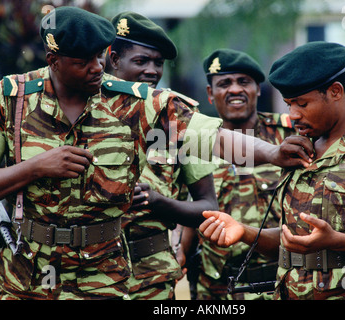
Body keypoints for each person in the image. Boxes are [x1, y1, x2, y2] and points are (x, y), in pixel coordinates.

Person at [0, 6, 313, 300]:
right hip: (27, 276)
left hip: (103, 277)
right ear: (54, 61)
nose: (98, 68)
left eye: (100, 58)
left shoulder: (138, 102)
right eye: (84, 63)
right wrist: (34, 168)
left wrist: (272, 153)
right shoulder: (11, 99)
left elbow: (213, 137)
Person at [199, 41, 345, 300]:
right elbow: (294, 244)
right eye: (288, 104)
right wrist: (244, 232)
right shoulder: (298, 150)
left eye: (302, 104)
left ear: (336, 91)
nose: (292, 114)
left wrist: (337, 240)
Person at [107, 11, 218, 300]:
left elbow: (208, 207)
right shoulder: (85, 114)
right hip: (86, 276)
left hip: (151, 280)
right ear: (114, 59)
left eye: (158, 63)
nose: (152, 71)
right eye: (141, 61)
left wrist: (160, 203)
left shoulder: (177, 122)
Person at [180, 49, 296, 300]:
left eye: (243, 81)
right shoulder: (196, 141)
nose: (234, 90)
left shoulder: (290, 135)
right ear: (210, 94)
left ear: (258, 89)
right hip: (216, 287)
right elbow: (187, 207)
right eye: (224, 83)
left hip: (279, 280)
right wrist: (180, 250)